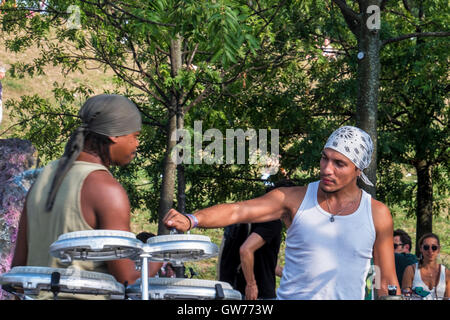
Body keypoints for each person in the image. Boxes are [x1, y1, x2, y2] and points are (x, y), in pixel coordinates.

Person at [164, 125, 400, 299]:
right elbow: (239, 211)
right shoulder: (293, 199)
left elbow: (386, 281)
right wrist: (192, 219)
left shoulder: (377, 214)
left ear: (358, 169)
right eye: (324, 159)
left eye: (339, 163)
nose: (327, 169)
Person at [11, 94, 162, 294]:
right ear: (114, 135)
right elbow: (127, 279)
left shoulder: (43, 178)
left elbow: (19, 268)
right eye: (135, 136)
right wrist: (161, 256)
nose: (136, 144)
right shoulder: (107, 190)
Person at [218, 182, 293, 300]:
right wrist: (251, 284)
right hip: (258, 293)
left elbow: (262, 262)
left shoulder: (250, 218)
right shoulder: (272, 221)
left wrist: (291, 276)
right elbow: (245, 250)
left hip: (233, 290)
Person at [402, 233, 449, 300]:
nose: (430, 251)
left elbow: (448, 297)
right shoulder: (410, 270)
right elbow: (406, 297)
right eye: (426, 247)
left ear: (438, 249)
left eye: (434, 247)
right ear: (421, 248)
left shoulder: (446, 272)